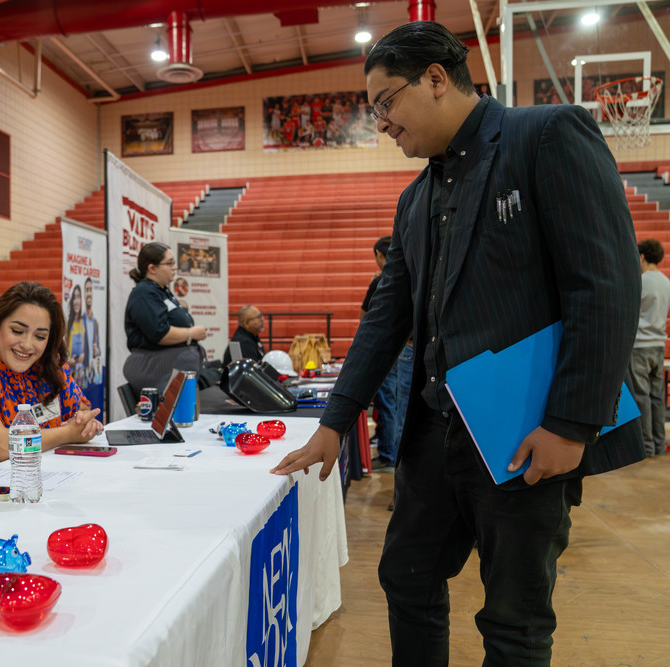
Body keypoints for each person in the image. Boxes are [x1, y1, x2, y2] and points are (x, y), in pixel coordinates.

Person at [271, 22, 644, 665]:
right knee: (404, 577)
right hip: (433, 435)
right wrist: (335, 420)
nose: (381, 123)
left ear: (437, 79)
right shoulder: (415, 198)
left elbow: (604, 285)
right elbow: (385, 319)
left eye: (386, 101)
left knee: (514, 616)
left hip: (521, 434)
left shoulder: (546, 135)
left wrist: (572, 421)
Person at [0, 281, 103, 478]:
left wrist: (86, 424)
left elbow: (82, 413)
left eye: (40, 336)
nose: (27, 345)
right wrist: (67, 434)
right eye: (17, 331)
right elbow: (0, 446)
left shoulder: (51, 368)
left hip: (47, 486)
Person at [122, 242, 208, 396]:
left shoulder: (161, 290)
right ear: (152, 268)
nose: (175, 268)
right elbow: (160, 333)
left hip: (172, 367)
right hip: (156, 369)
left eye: (174, 262)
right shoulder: (144, 293)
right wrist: (190, 333)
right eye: (169, 263)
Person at [360, 236, 399, 472]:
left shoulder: (381, 281)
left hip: (386, 347)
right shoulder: (411, 274)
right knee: (394, 402)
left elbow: (365, 316)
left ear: (380, 255)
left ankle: (388, 454)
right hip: (407, 347)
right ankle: (390, 449)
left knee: (387, 403)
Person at [629, 239, 670, 457]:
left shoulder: (641, 281)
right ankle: (659, 443)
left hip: (640, 346)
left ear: (642, 256)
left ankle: (646, 446)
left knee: (641, 396)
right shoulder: (666, 282)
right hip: (658, 345)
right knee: (657, 396)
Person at [66, 283, 87, 386]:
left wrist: (83, 355)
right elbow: (61, 350)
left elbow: (86, 349)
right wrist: (68, 360)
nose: (76, 301)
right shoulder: (68, 324)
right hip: (69, 372)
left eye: (78, 297)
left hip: (81, 374)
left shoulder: (84, 323)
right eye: (74, 298)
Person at [83, 277, 101, 385]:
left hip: (93, 375)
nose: (89, 293)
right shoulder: (80, 321)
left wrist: (97, 351)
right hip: (82, 377)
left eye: (91, 290)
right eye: (87, 290)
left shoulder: (96, 323)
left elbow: (99, 351)